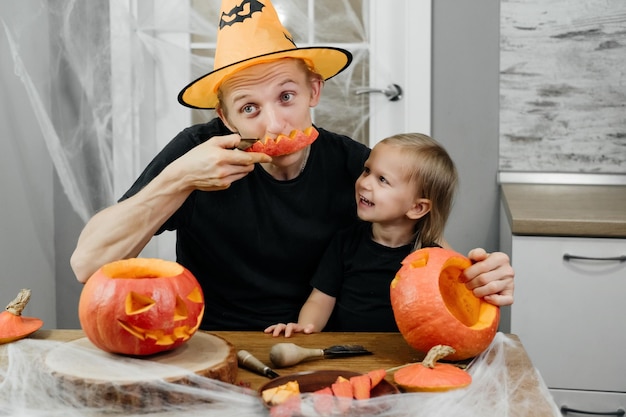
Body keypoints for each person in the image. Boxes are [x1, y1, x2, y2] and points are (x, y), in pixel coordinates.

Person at [70, 0, 514, 331]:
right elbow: (87, 265)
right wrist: (179, 178)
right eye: (249, 108)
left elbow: (425, 250)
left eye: (286, 96)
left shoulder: (356, 168)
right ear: (224, 118)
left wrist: (478, 278)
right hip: (211, 337)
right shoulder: (197, 152)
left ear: (313, 92)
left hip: (321, 341)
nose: (275, 123)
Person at [266, 133, 463, 336]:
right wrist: (306, 328)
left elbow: (446, 315)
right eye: (367, 171)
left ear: (417, 207)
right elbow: (320, 299)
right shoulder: (345, 242)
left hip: (403, 358)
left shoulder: (432, 261)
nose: (365, 183)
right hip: (347, 354)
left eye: (382, 180)